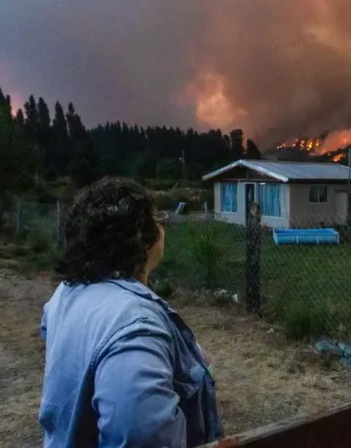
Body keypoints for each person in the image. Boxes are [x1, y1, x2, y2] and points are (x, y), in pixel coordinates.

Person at [39, 177, 223, 447]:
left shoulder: (67, 293)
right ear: (142, 238)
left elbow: (52, 331)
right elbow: (142, 436)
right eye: (155, 219)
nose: (162, 226)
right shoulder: (136, 324)